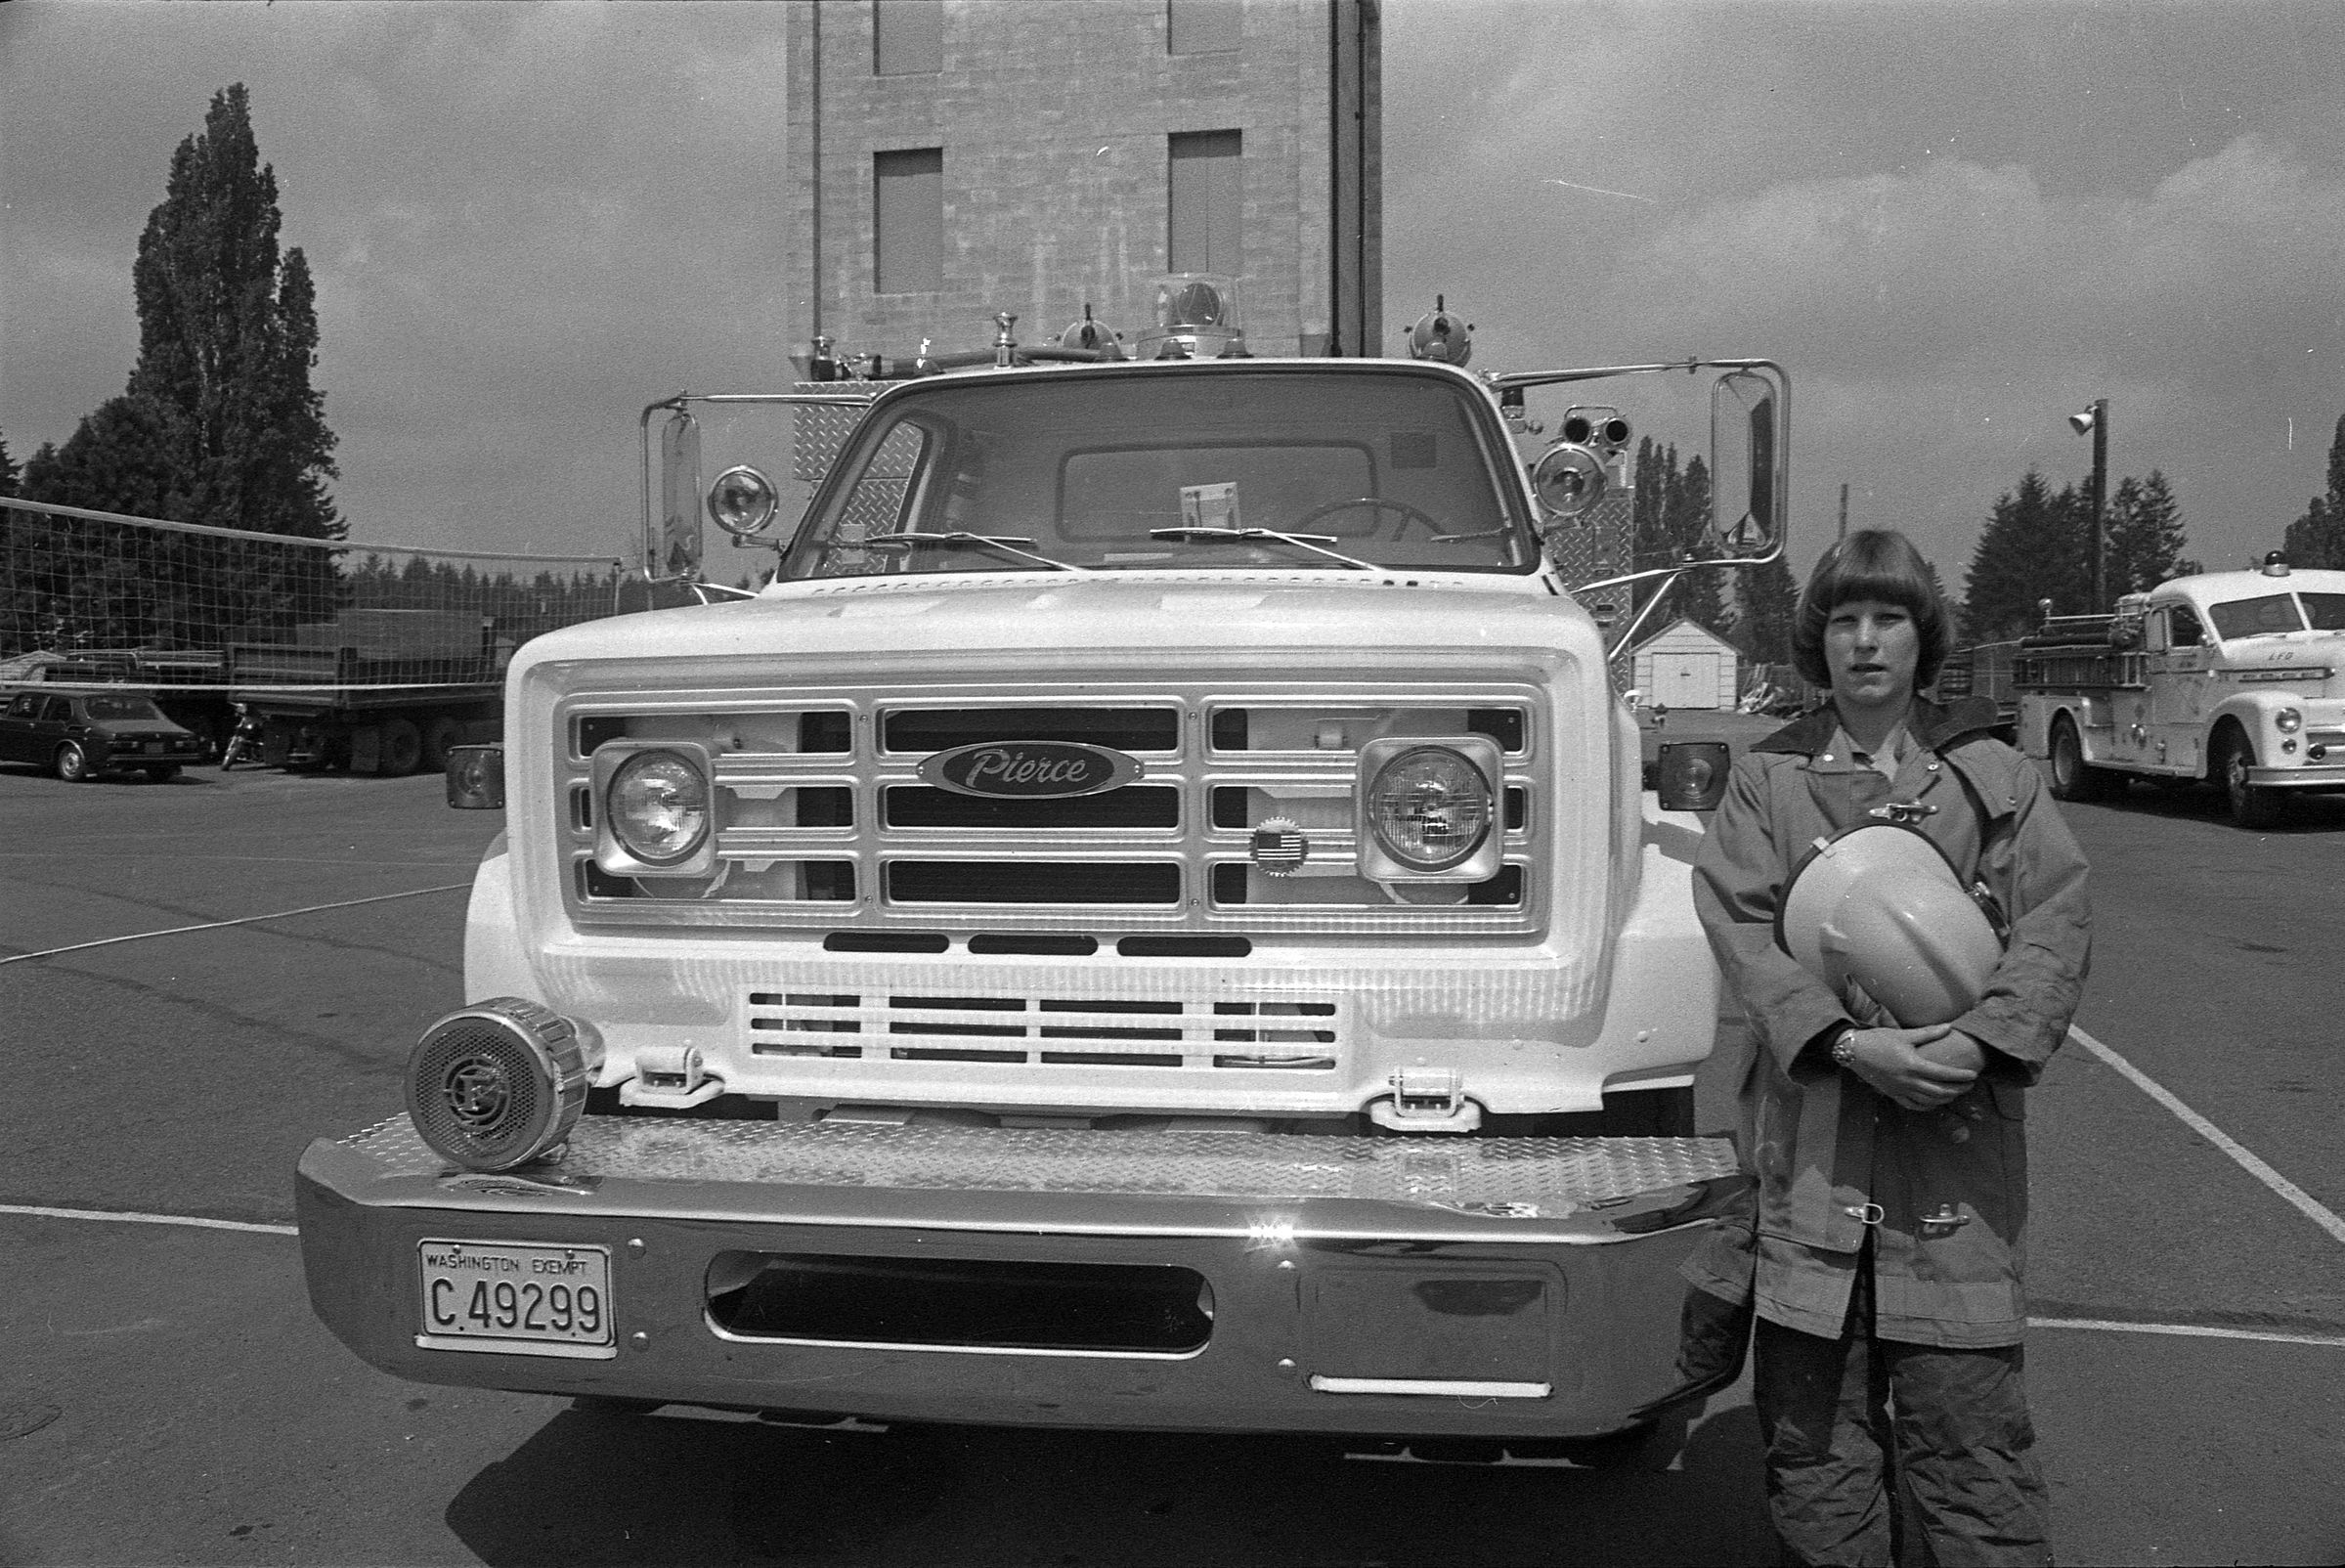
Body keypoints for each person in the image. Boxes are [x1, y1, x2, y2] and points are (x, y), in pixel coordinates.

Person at [1686, 530, 2091, 1566]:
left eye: (1888, 619)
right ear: (1817, 639)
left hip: (1952, 1160)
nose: (1864, 641)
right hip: (1809, 1164)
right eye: (1844, 620)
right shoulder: (1768, 779)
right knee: (1814, 1457)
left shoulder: (1991, 774)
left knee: (1971, 1452)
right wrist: (1845, 1042)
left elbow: (2052, 919)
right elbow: (1740, 926)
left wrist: (1983, 1044)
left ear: (1923, 638)